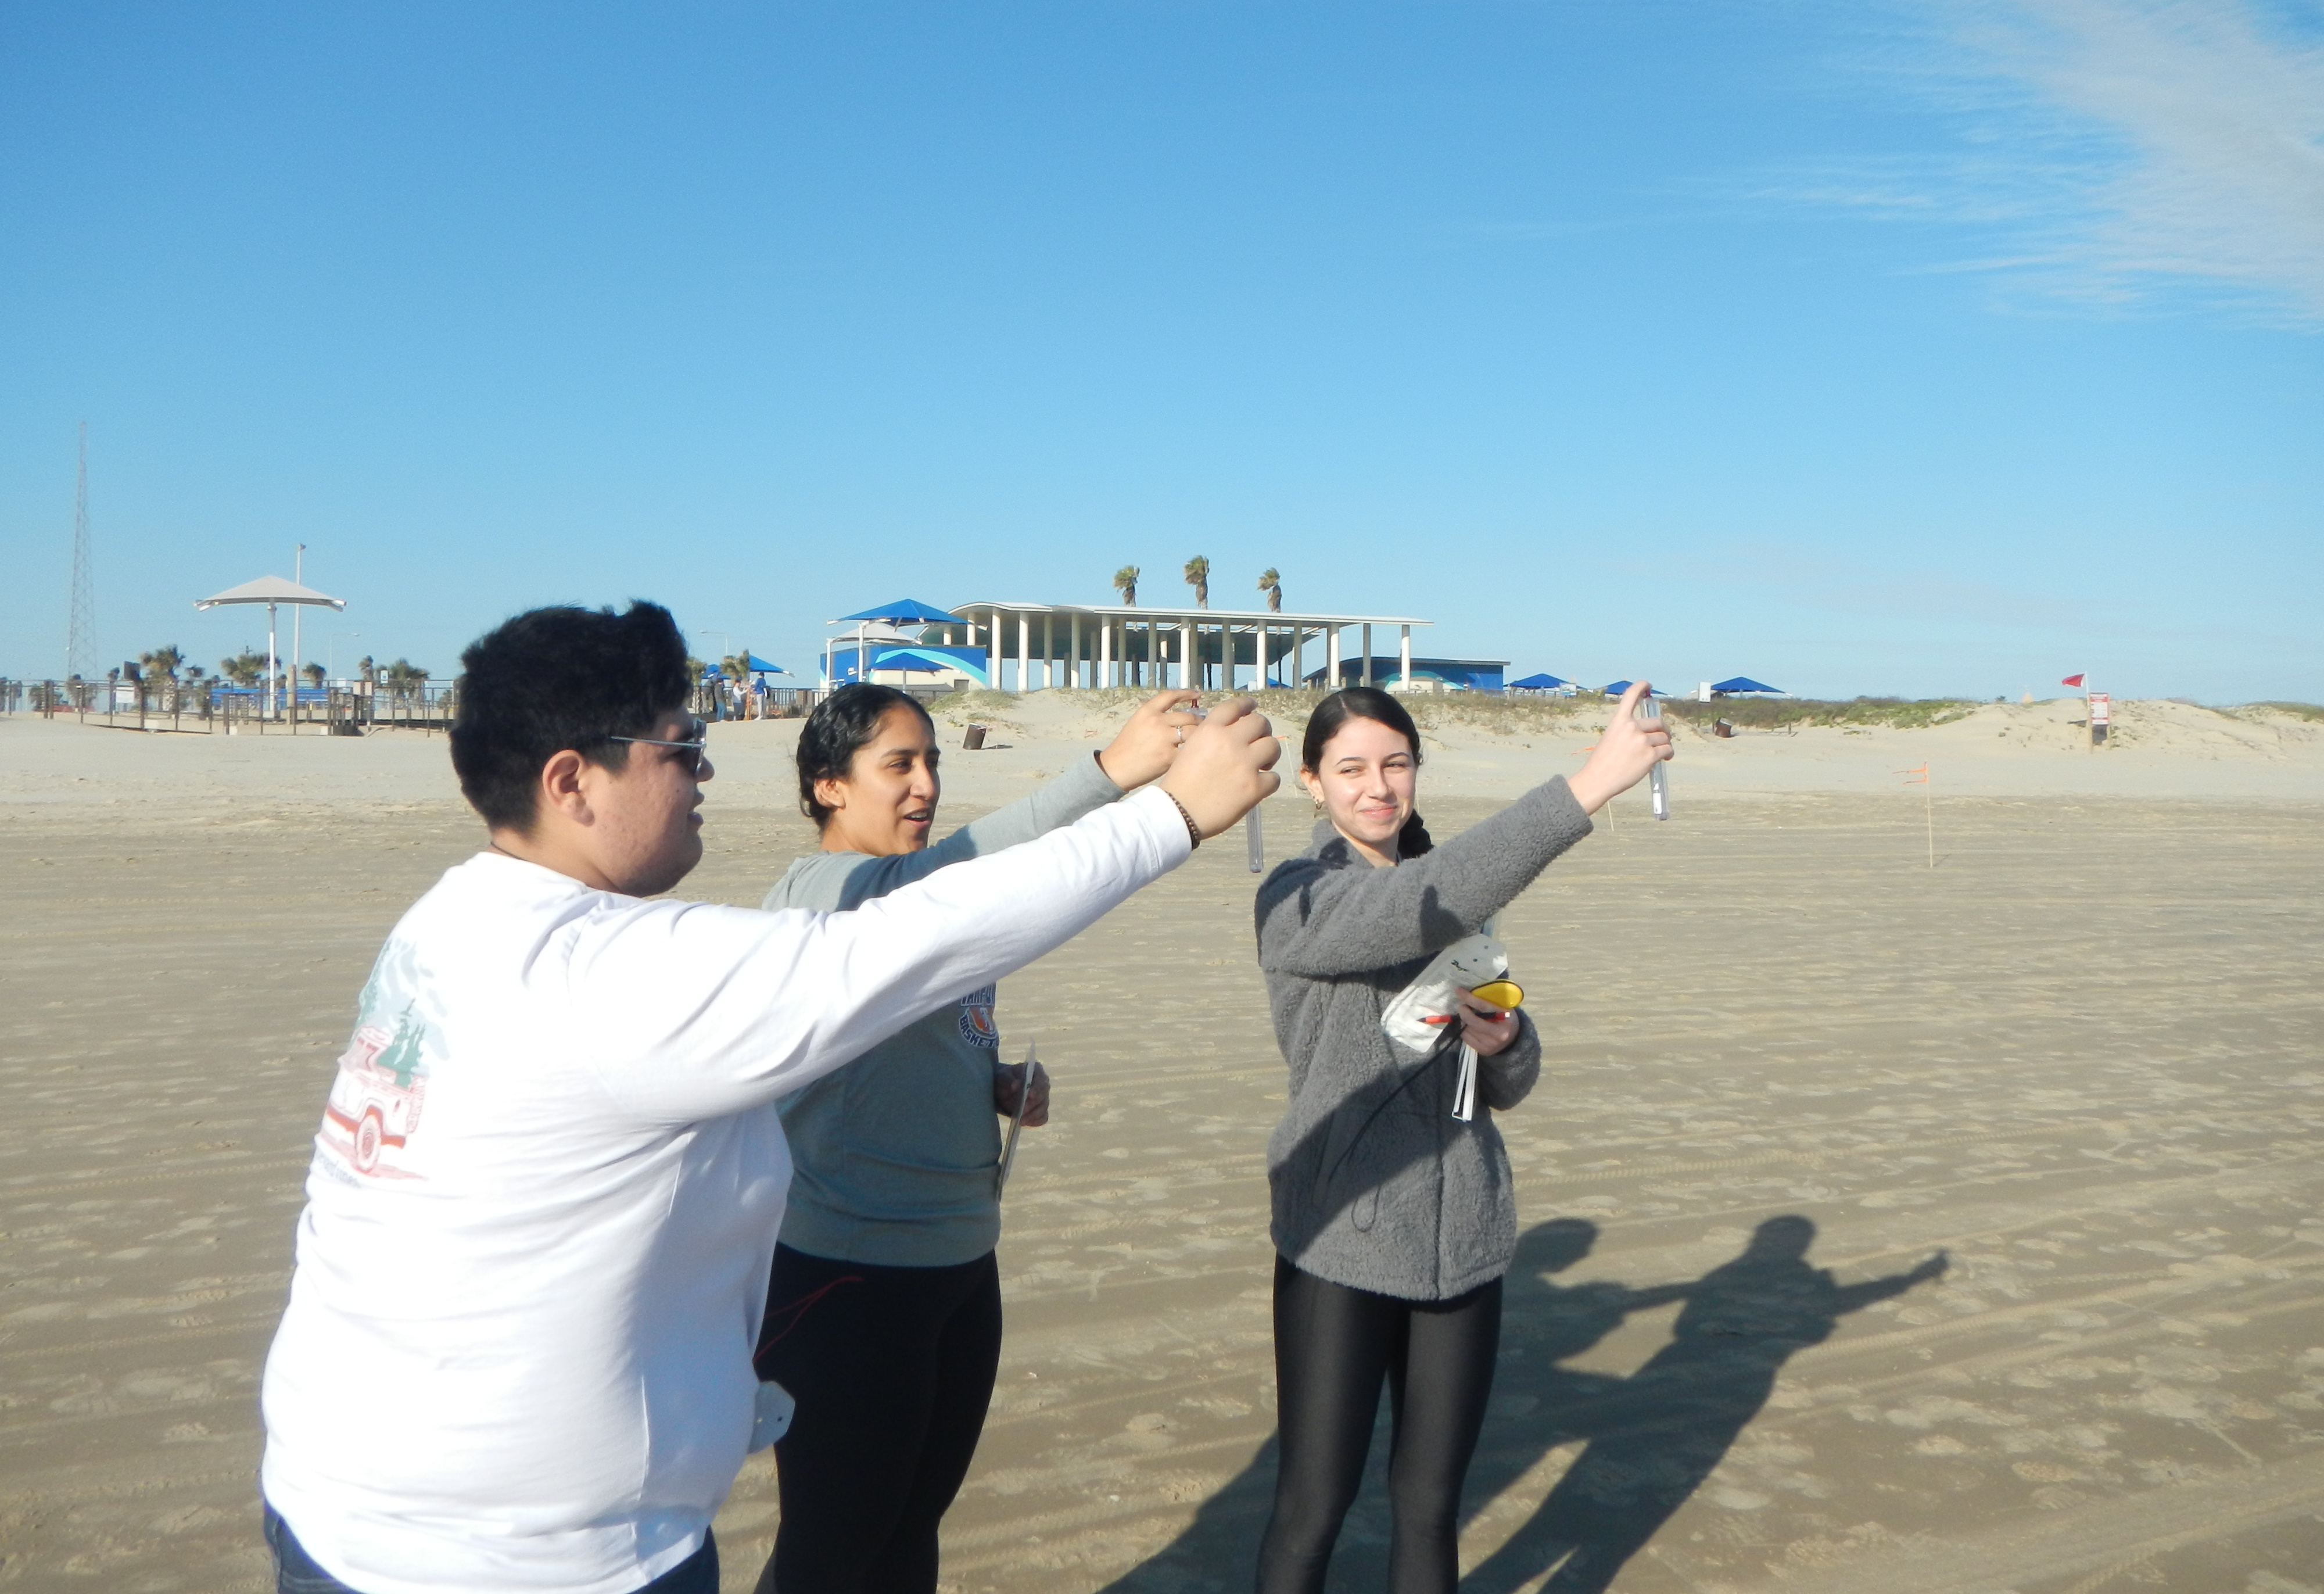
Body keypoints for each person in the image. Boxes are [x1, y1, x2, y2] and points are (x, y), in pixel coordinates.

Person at [256, 603, 1277, 1594]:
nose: (704, 768)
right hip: (517, 1559)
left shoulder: (448, 922)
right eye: (677, 745)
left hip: (347, 1507)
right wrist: (1168, 814)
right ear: (571, 781)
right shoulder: (611, 971)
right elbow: (925, 930)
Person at [750, 682, 1199, 1594]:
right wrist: (1112, 775)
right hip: (848, 1275)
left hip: (961, 1259)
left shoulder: (932, 906)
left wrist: (989, 1081)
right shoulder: (824, 892)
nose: (925, 786)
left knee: (912, 1529)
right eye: (898, 766)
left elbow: (918, 1039)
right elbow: (969, 868)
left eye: (933, 763)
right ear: (829, 787)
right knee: (831, 1552)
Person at [1250, 682, 1672, 1594]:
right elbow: (1409, 908)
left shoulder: (1463, 904)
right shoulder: (1297, 899)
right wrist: (1591, 784)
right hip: (1341, 1242)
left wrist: (1509, 1040)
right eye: (1351, 768)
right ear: (1313, 785)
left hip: (1466, 1239)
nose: (1377, 787)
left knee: (1430, 1508)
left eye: (1395, 764)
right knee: (1311, 1512)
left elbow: (1507, 1082)